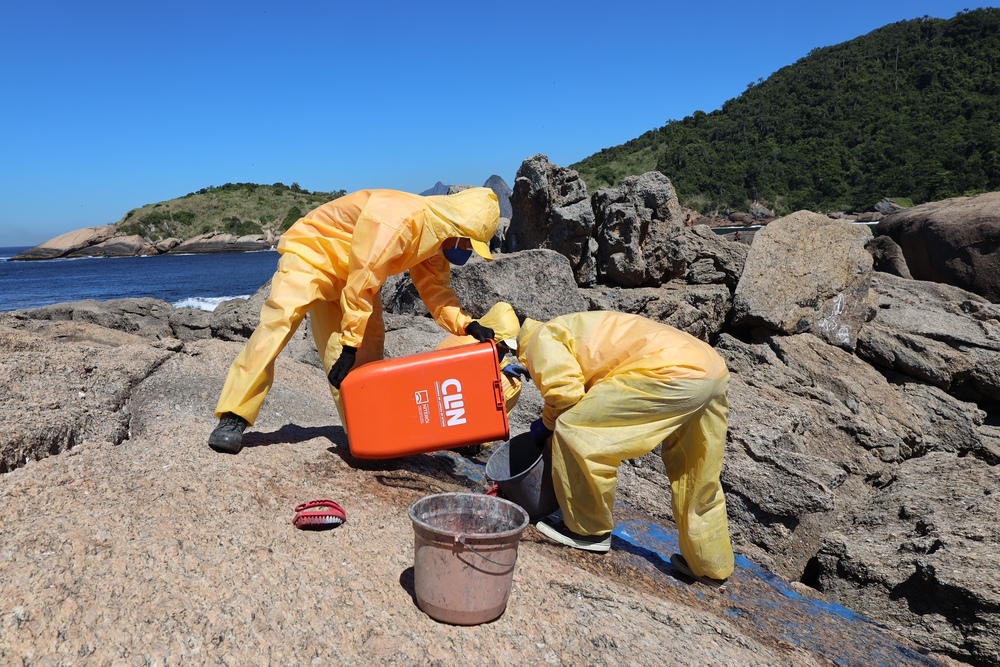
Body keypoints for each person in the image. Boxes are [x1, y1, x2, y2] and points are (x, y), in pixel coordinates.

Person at [208, 187, 501, 454]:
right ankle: (234, 416)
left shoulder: (435, 241)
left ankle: (366, 434)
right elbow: (365, 274)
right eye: (469, 245)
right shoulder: (398, 220)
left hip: (352, 278)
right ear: (457, 229)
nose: (467, 252)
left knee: (369, 351)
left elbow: (436, 291)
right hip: (312, 255)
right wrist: (349, 344)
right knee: (278, 323)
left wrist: (466, 324)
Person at [515, 311, 735, 585]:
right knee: (698, 471)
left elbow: (565, 395)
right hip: (713, 369)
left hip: (670, 371)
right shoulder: (573, 326)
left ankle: (588, 531)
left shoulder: (540, 338)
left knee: (577, 431)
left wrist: (547, 425)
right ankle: (708, 565)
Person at [434, 301, 524, 454]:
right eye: (504, 346)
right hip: (447, 411)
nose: (507, 351)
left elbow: (493, 357)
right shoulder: (473, 349)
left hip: (440, 397)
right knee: (512, 384)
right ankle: (478, 441)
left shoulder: (472, 337)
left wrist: (505, 366)